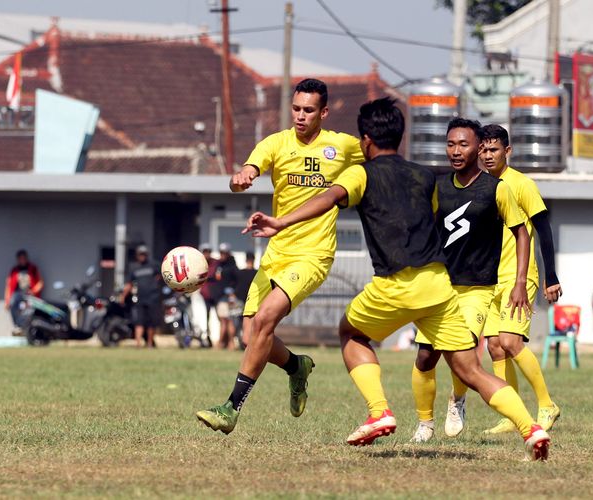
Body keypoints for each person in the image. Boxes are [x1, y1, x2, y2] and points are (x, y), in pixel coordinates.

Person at [242, 97, 550, 460]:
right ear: (401, 138)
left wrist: (281, 221)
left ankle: (379, 412)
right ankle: (531, 428)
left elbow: (328, 198)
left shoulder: (362, 173)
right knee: (469, 369)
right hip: (439, 284)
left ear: (366, 141)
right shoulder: (424, 175)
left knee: (351, 333)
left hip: (395, 283)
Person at [196, 78, 365, 434]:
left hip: (313, 255)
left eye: (308, 110)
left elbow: (380, 163)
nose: (301, 116)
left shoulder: (343, 146)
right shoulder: (276, 142)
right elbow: (248, 171)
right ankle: (296, 367)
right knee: (250, 335)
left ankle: (231, 408)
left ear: (324, 112)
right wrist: (242, 178)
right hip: (277, 253)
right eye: (296, 109)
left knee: (264, 320)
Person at [409, 118, 531, 443]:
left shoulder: (496, 188)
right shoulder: (437, 186)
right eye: (451, 144)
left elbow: (522, 233)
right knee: (424, 356)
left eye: (463, 144)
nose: (456, 151)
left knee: (462, 352)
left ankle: (457, 399)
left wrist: (520, 281)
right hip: (438, 287)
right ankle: (424, 424)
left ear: (478, 147)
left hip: (477, 288)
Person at [479, 124, 563, 435]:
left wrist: (551, 276)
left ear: (507, 151)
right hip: (490, 280)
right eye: (483, 150)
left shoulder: (521, 184)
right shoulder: (481, 187)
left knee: (511, 342)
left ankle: (546, 404)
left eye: (494, 150)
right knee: (495, 348)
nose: (488, 156)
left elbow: (544, 229)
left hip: (519, 277)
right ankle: (511, 414)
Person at [120, 245, 163, 348]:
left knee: (151, 322)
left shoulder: (154, 265)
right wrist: (123, 296)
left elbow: (162, 275)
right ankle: (138, 344)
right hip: (140, 298)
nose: (142, 256)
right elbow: (129, 284)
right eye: (140, 254)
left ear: (147, 255)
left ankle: (149, 343)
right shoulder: (134, 268)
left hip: (153, 298)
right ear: (137, 255)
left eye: (144, 254)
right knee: (139, 321)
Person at [4, 249, 44, 329]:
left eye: (24, 258)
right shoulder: (14, 271)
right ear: (18, 259)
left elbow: (40, 283)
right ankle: (18, 326)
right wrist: (7, 301)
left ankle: (29, 327)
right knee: (13, 304)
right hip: (18, 294)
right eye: (20, 258)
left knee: (30, 308)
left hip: (30, 293)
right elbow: (8, 286)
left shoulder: (33, 268)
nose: (22, 260)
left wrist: (34, 291)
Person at [213, 242, 239, 350]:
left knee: (228, 321)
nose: (222, 255)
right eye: (221, 252)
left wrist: (232, 293)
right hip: (220, 297)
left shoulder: (232, 266)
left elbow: (236, 281)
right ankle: (226, 343)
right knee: (224, 320)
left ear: (228, 253)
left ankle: (226, 343)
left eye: (224, 253)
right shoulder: (219, 265)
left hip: (228, 297)